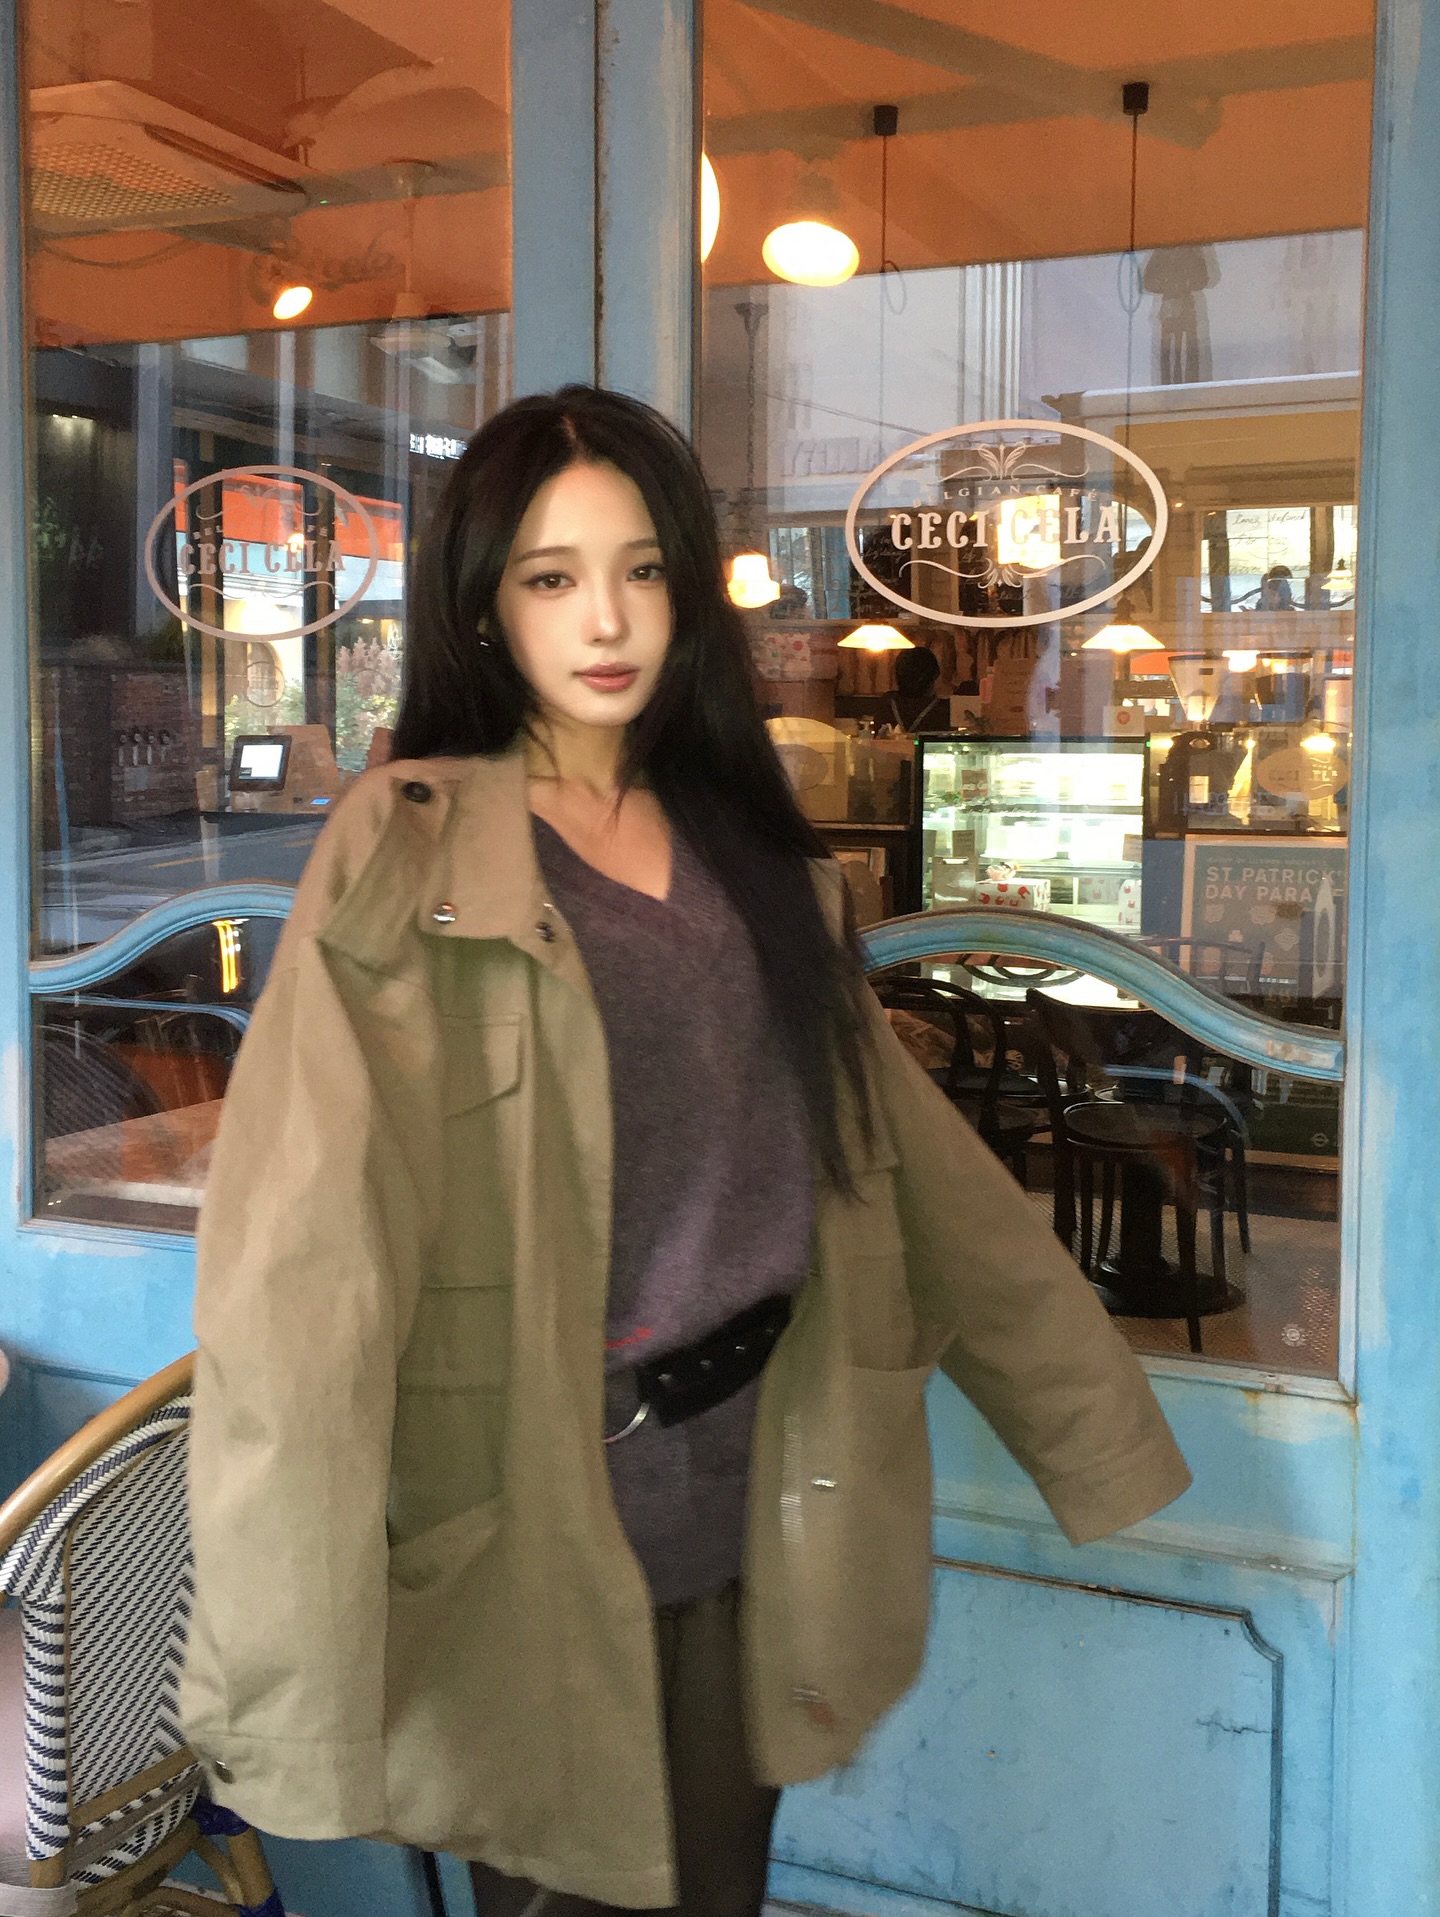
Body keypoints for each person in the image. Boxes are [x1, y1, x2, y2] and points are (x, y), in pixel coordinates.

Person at [181, 386, 1190, 1917]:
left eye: (643, 568)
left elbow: (912, 1166)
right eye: (551, 575)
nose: (607, 617)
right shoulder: (411, 849)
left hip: (766, 1489)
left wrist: (1091, 1431)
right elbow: (301, 1266)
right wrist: (291, 1673)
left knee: (718, 1887)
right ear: (484, 604)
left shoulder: (743, 848)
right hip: (534, 1524)